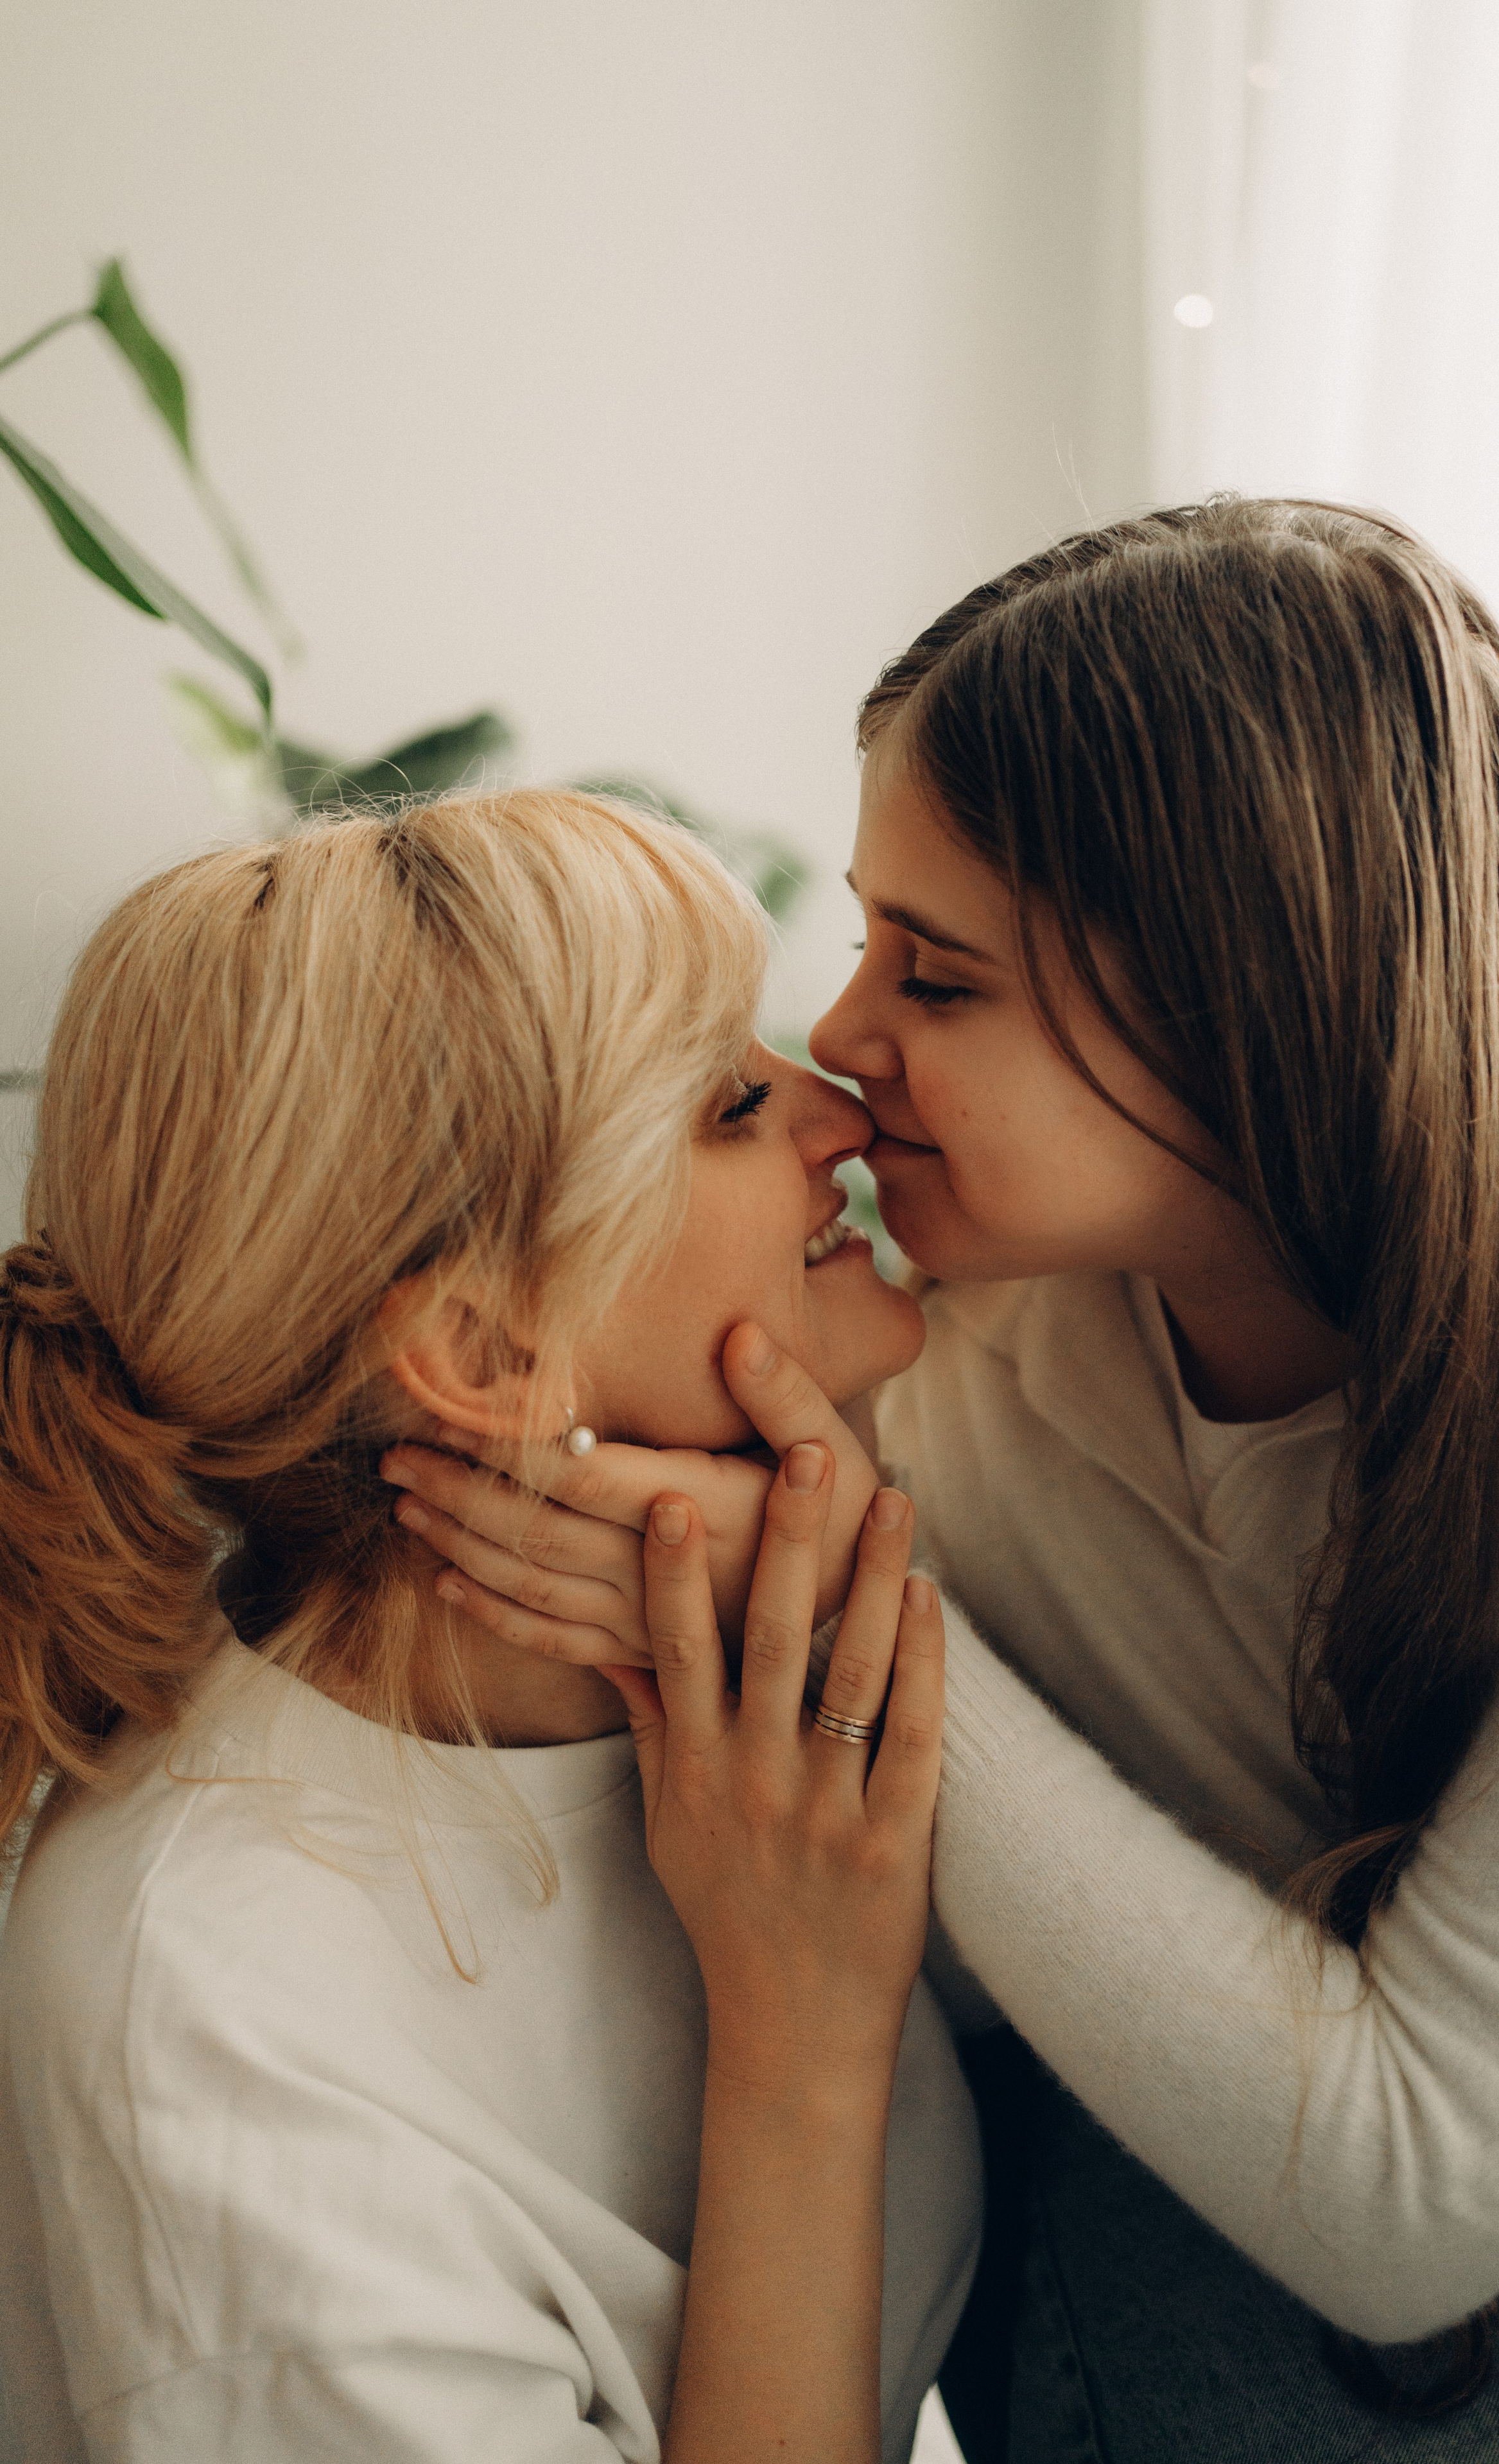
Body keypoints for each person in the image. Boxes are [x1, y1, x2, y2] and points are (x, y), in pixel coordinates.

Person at [388, 501, 1499, 2461]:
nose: (840, 1036)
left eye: (940, 977)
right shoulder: (965, 1335)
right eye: (871, 933)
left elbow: (1421, 2195)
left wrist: (850, 1628)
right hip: (1298, 2307)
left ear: (1252, 1003)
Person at [0, 790, 982, 2464]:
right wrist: (802, 2043)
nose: (838, 1110)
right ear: (486, 1355)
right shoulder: (227, 2034)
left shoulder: (724, 1700)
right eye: (734, 1104)